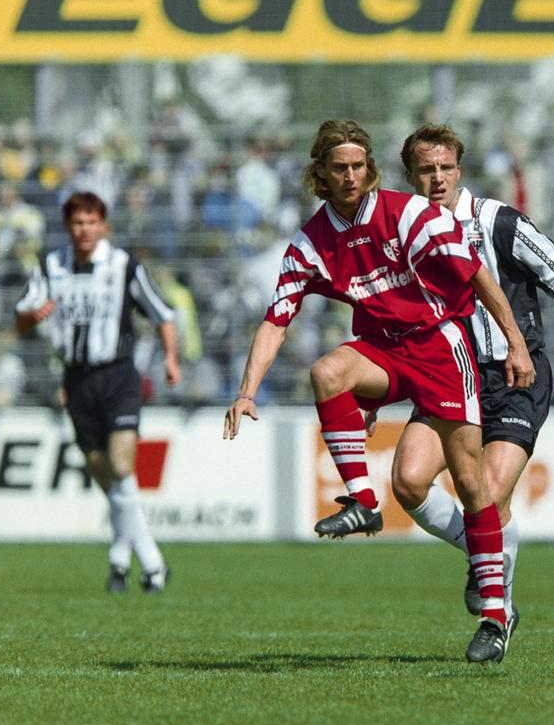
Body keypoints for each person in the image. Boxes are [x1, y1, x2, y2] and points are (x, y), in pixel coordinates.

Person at [221, 119, 535, 664]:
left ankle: (494, 613)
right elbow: (276, 321)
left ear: (371, 170)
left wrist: (516, 342)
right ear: (319, 173)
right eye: (339, 168)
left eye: (359, 167)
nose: (350, 177)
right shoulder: (311, 243)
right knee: (327, 373)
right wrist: (248, 391)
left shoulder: (408, 214)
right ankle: (364, 504)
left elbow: (477, 275)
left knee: (468, 480)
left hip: (441, 347)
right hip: (385, 350)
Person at [378, 124, 554, 642]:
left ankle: (495, 611)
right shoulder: (399, 236)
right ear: (410, 175)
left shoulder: (498, 221)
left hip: (513, 375)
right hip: (446, 375)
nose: (437, 179)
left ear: (460, 170)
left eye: (446, 169)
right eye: (426, 170)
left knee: (490, 494)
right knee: (408, 482)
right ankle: (488, 556)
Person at [14, 191, 180, 593]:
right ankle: (123, 561)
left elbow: (163, 313)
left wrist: (171, 358)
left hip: (119, 374)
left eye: (91, 222)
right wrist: (30, 317)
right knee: (107, 478)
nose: (84, 230)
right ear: (67, 226)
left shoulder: (123, 265)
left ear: (103, 225)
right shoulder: (50, 265)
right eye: (77, 223)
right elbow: (21, 320)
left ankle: (152, 564)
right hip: (76, 380)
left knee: (121, 467)